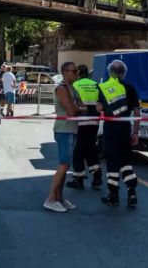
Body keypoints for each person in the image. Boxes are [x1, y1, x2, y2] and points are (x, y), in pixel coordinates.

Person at [97, 59, 141, 208]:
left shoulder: (103, 87)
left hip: (110, 129)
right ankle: (131, 191)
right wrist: (135, 132)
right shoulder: (130, 88)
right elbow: (136, 112)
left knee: (112, 162)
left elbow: (98, 109)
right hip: (124, 128)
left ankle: (113, 195)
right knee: (125, 161)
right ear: (124, 73)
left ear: (110, 73)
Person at [44, 62, 83, 212]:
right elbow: (72, 110)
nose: (77, 73)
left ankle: (59, 197)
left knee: (65, 165)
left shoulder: (72, 88)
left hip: (71, 129)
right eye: (74, 71)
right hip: (64, 129)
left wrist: (80, 108)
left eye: (77, 70)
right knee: (64, 164)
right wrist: (82, 109)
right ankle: (51, 198)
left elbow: (79, 106)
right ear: (65, 72)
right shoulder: (62, 88)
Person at [66, 63, 103, 190]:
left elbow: (72, 103)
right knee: (90, 147)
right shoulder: (95, 84)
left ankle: (78, 178)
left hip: (81, 121)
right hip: (94, 122)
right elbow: (101, 103)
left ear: (78, 73)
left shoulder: (75, 85)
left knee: (78, 151)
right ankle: (97, 175)